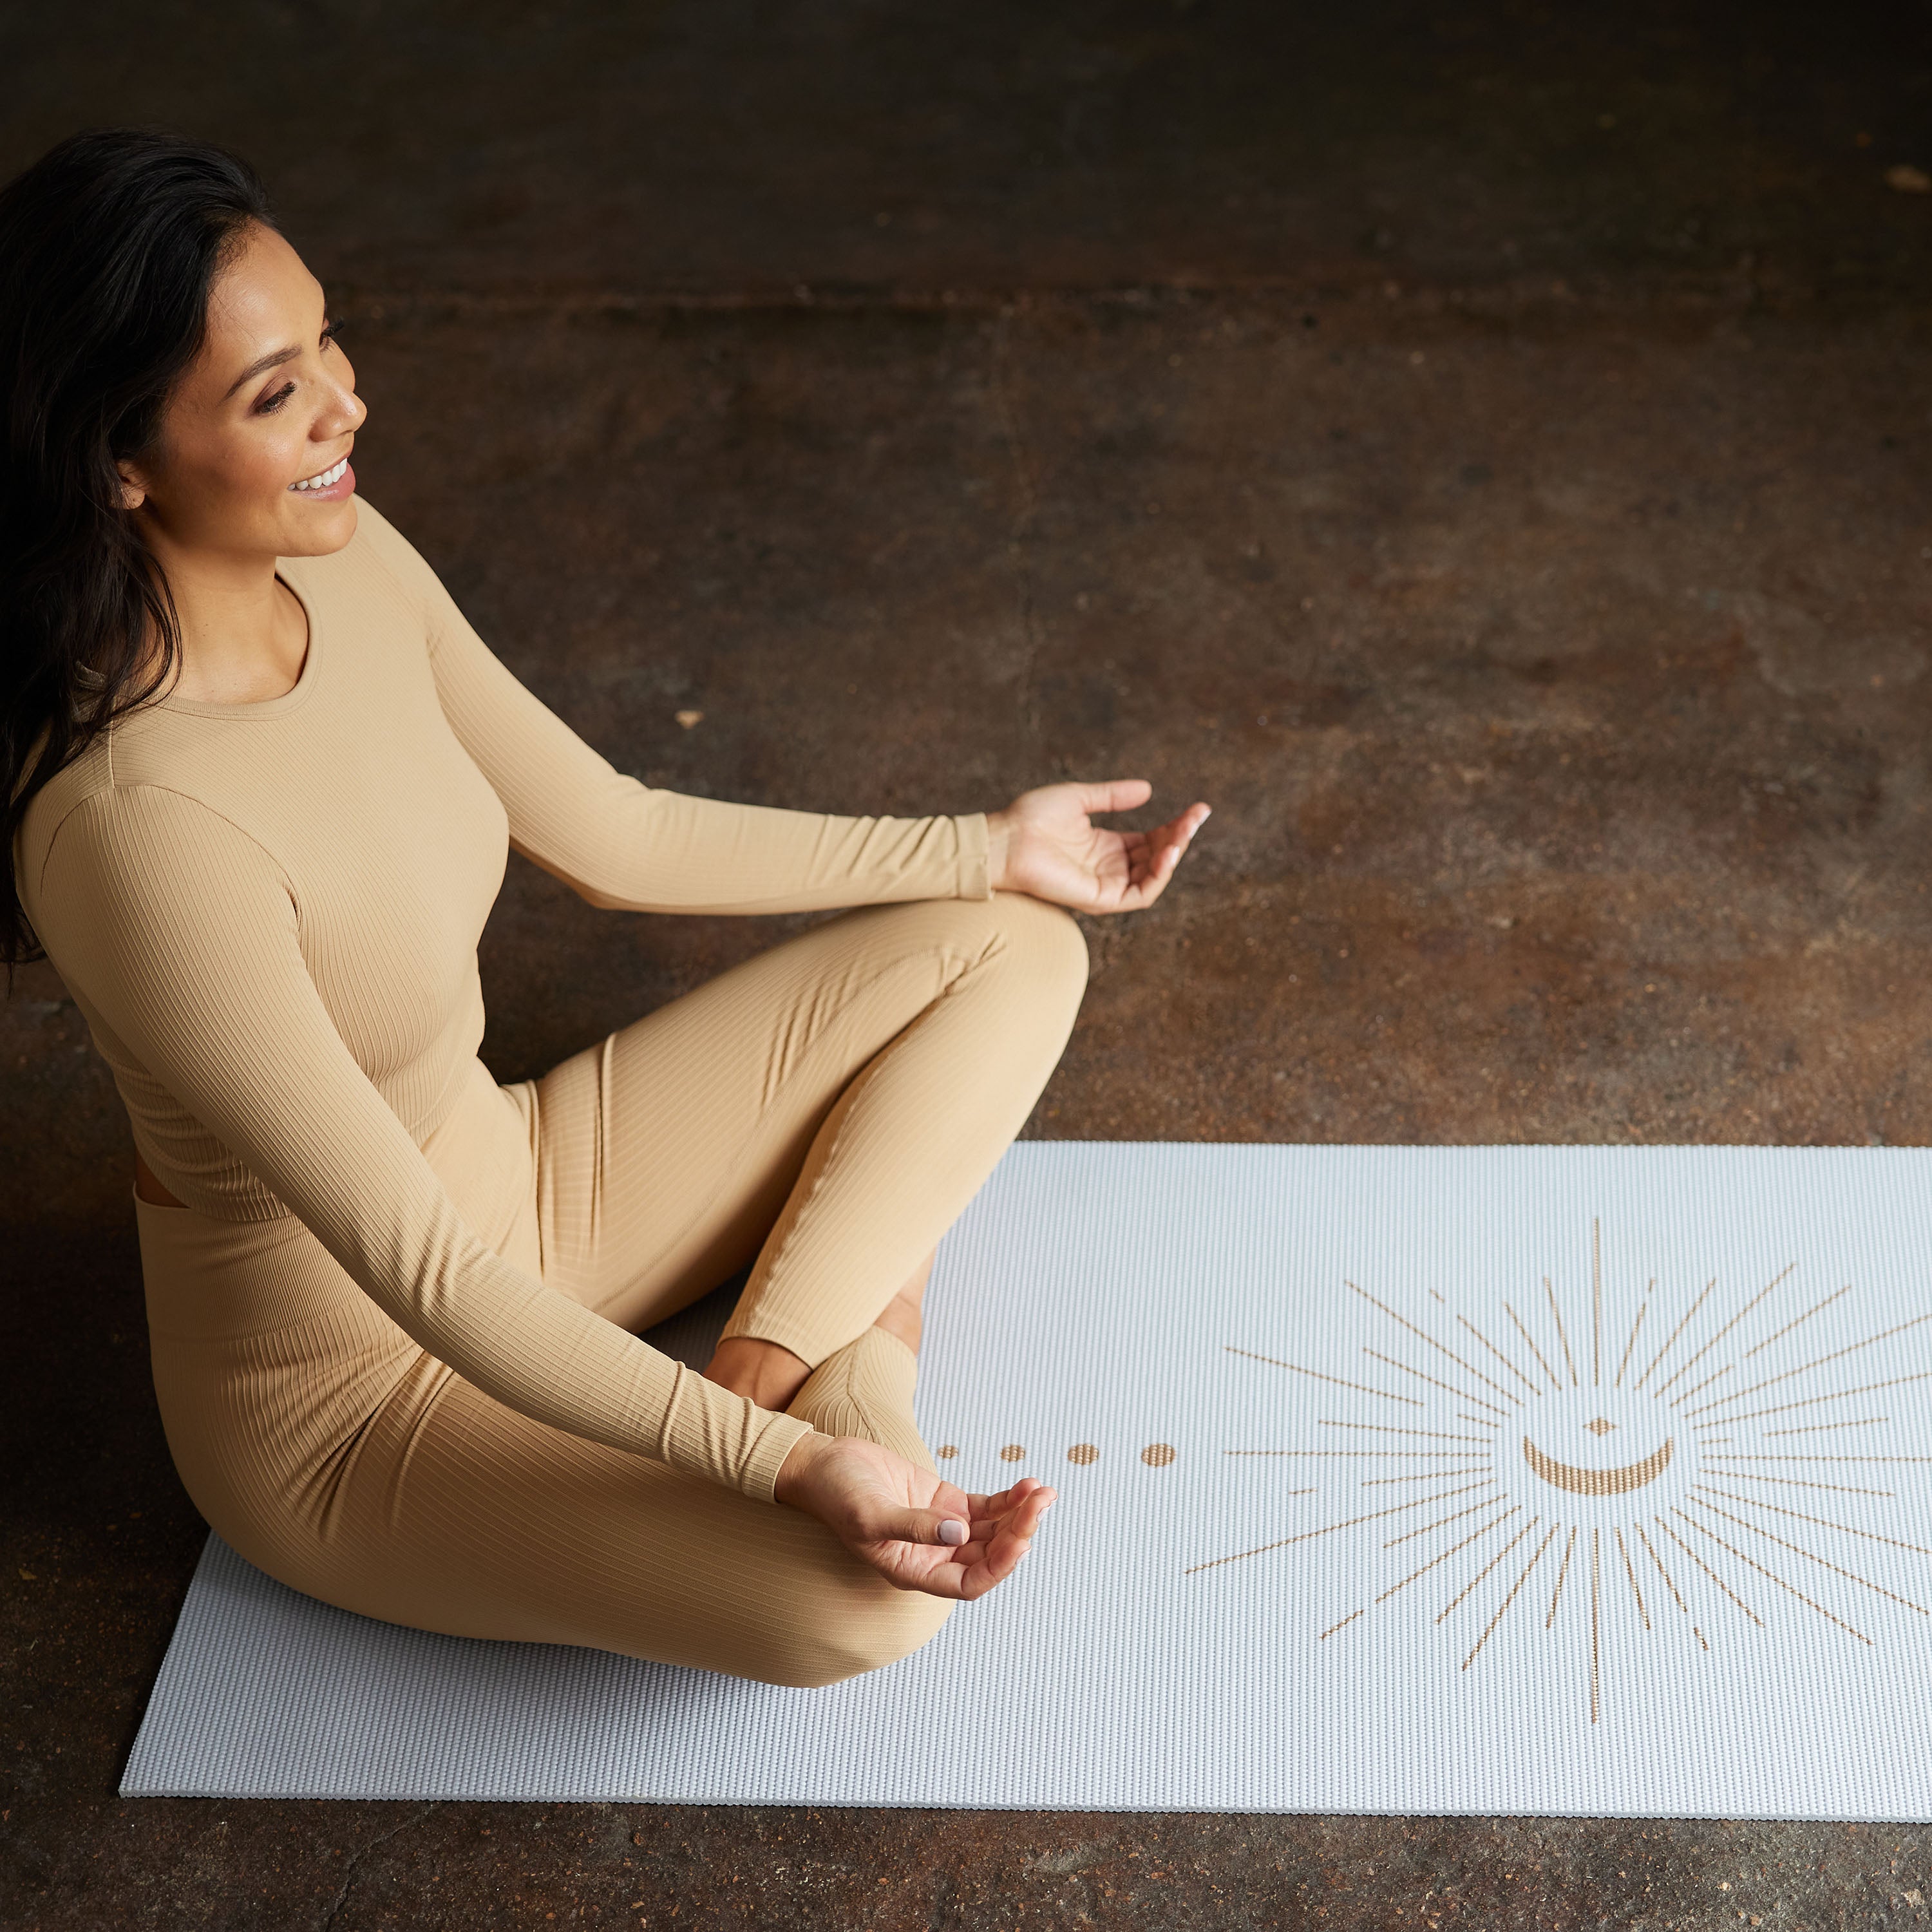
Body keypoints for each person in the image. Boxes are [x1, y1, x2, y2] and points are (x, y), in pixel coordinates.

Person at [0, 129, 1210, 1689]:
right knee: (864, 1609)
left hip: (527, 1182)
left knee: (1012, 947)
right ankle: (851, 1373)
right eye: (273, 391)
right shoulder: (133, 831)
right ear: (117, 460)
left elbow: (620, 835)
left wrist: (983, 843)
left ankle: (771, 1357)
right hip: (363, 1397)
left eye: (328, 339)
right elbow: (416, 1269)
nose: (348, 403)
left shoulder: (342, 563)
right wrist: (786, 1472)